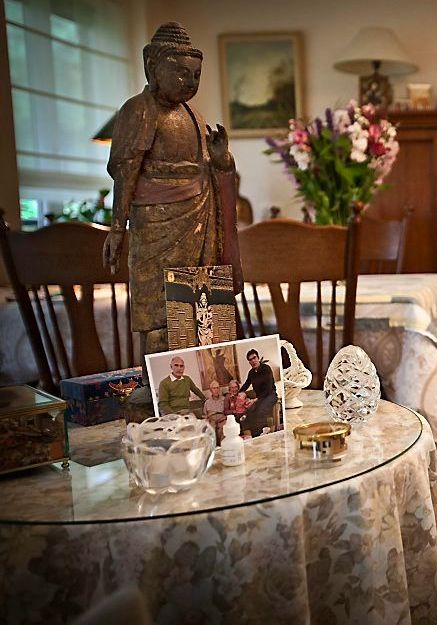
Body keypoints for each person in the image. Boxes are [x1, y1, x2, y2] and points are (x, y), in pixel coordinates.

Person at [102, 22, 241, 373]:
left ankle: (204, 376)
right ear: (153, 66)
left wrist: (221, 159)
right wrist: (118, 227)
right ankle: (161, 381)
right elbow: (126, 170)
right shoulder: (139, 109)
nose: (190, 82)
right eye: (180, 72)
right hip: (155, 225)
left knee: (200, 302)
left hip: (198, 215)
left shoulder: (195, 115)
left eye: (195, 74)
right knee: (158, 309)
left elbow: (207, 168)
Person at [238, 349, 277, 437]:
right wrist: (239, 393)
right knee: (250, 411)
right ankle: (254, 435)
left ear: (258, 358)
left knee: (260, 410)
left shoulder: (266, 368)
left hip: (270, 395)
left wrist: (255, 400)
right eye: (250, 360)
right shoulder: (251, 373)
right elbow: (246, 385)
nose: (253, 361)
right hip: (260, 398)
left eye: (254, 358)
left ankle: (264, 431)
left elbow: (268, 389)